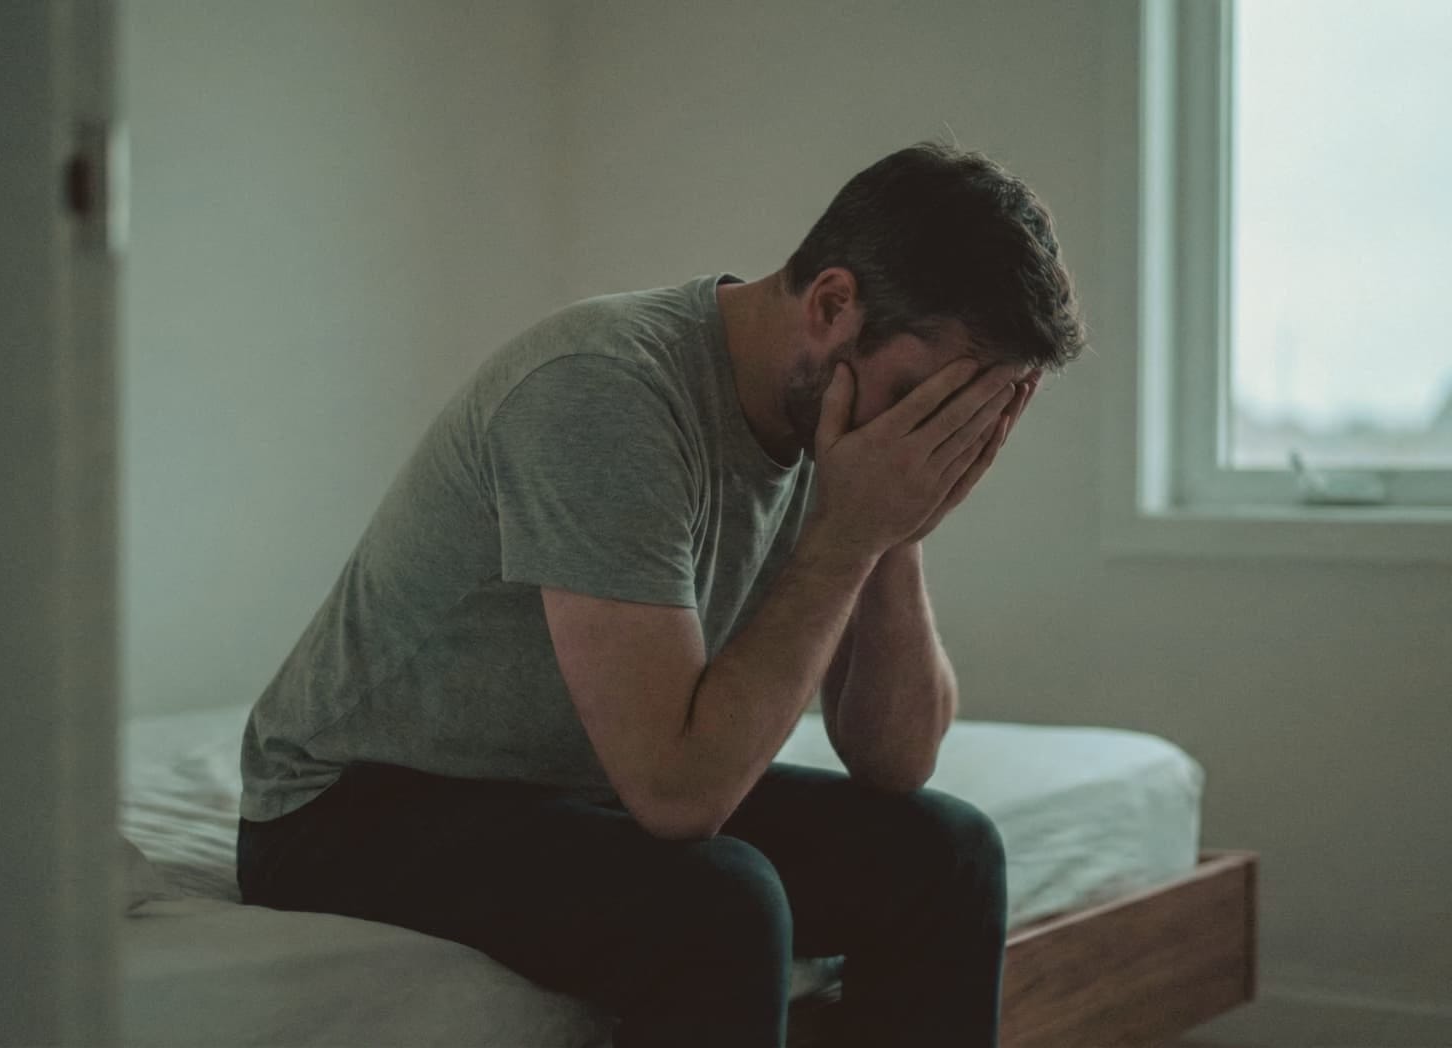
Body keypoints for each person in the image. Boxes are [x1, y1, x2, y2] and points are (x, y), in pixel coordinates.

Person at [236, 140, 1085, 1048]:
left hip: (573, 781)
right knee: (724, 904)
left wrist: (894, 532)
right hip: (350, 805)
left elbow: (895, 762)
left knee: (946, 854)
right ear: (833, 306)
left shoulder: (845, 429)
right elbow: (680, 798)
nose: (928, 438)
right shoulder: (605, 390)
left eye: (966, 419)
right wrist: (848, 536)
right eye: (922, 400)